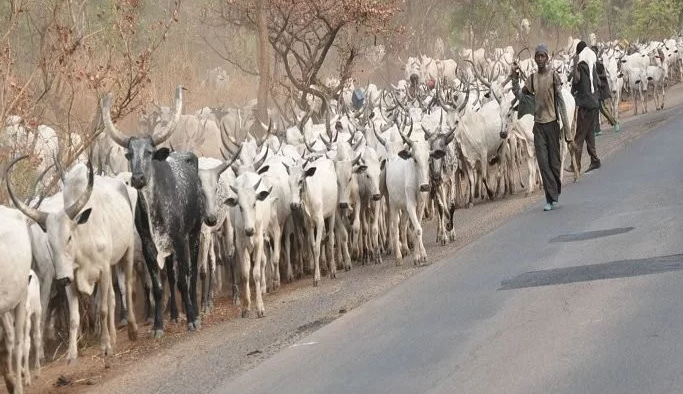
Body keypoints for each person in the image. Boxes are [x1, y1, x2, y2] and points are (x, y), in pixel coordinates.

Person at [511, 43, 572, 211]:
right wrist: (514, 76)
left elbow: (560, 102)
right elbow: (520, 95)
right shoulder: (532, 79)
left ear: (547, 58)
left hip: (552, 124)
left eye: (542, 56)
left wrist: (567, 130)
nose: (539, 59)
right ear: (535, 58)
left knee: (554, 162)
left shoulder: (553, 77)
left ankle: (555, 190)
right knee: (543, 164)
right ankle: (550, 198)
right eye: (537, 56)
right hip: (538, 127)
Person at [570, 41, 601, 174]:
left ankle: (575, 164)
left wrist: (575, 63)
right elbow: (598, 82)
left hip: (585, 106)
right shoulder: (592, 66)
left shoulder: (581, 66)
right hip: (594, 104)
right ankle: (595, 160)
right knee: (589, 135)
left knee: (579, 136)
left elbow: (576, 80)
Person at [592, 45, 620, 136]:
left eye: (593, 51)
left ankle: (615, 122)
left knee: (602, 108)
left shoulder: (599, 64)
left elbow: (604, 75)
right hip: (592, 91)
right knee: (595, 110)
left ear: (596, 53)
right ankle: (597, 129)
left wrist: (596, 76)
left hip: (599, 90)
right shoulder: (589, 64)